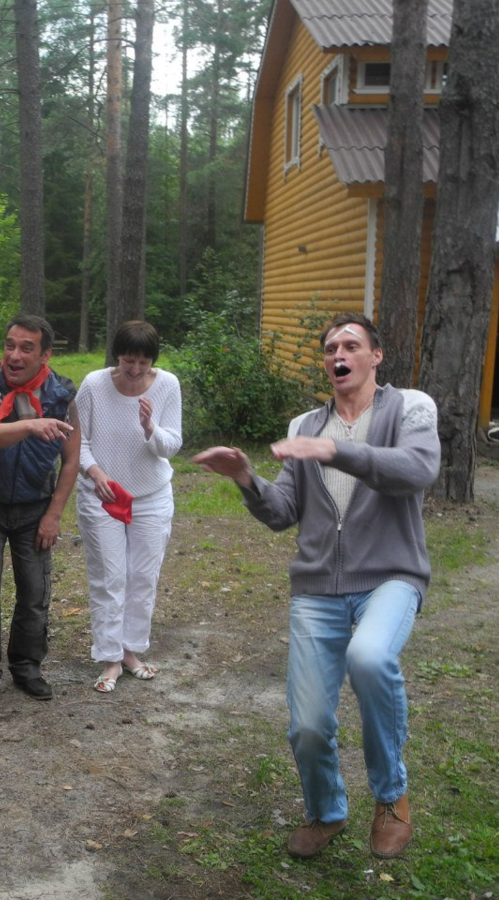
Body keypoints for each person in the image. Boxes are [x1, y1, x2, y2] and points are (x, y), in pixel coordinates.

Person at [193, 312, 440, 860]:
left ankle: (392, 797)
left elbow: (418, 468)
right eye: (330, 348)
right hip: (317, 587)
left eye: (351, 345)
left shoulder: (411, 408)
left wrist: (337, 451)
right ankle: (327, 810)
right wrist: (245, 477)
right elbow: (284, 512)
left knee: (371, 659)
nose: (338, 354)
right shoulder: (306, 424)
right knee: (306, 724)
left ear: (375, 356)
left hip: (390, 574)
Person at [0, 314, 80, 706]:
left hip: (35, 508)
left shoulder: (62, 394)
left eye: (26, 348)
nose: (14, 355)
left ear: (44, 355)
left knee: (35, 593)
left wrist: (54, 515)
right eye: (10, 345)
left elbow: (72, 459)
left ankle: (28, 668)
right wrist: (30, 426)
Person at [75, 321, 183, 693]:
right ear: (116, 356)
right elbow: (80, 441)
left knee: (142, 577)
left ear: (152, 360)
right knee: (110, 577)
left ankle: (131, 651)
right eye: (127, 361)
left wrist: (151, 427)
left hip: (151, 496)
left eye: (142, 362)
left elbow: (172, 445)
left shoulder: (167, 385)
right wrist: (95, 472)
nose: (134, 370)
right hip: (102, 495)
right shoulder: (93, 385)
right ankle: (109, 658)